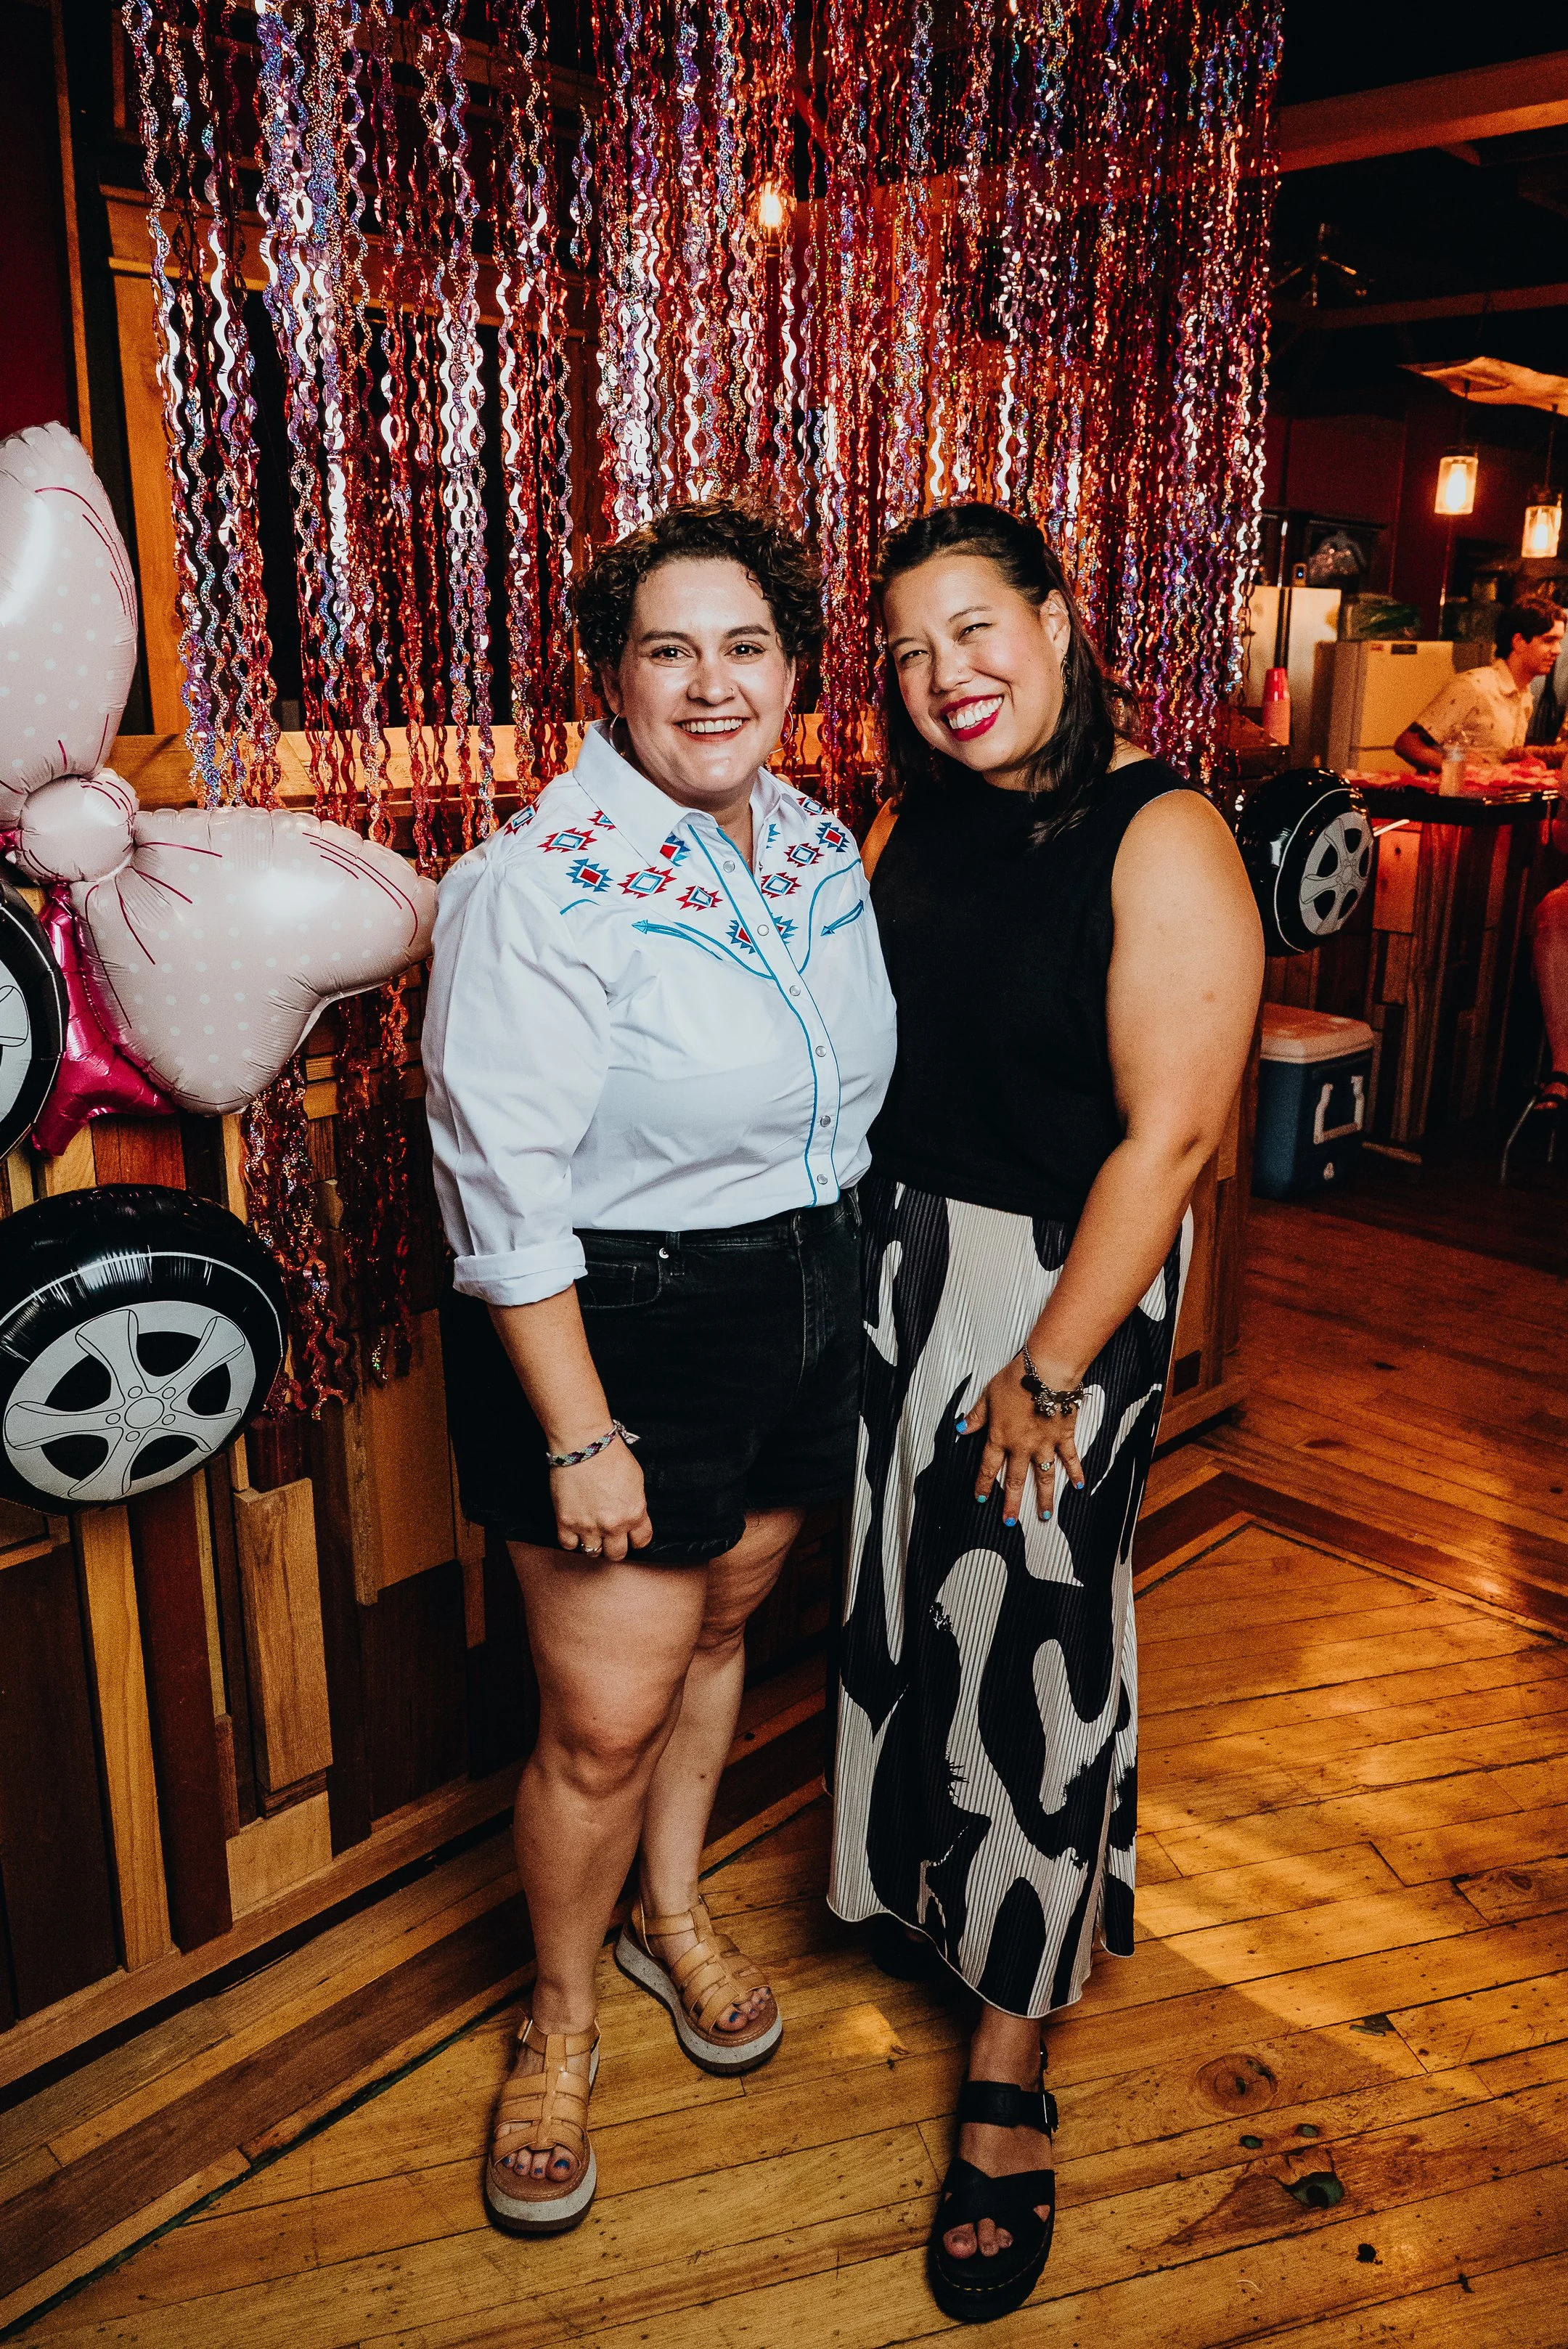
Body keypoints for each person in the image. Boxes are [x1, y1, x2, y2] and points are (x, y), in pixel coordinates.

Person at [423, 499, 897, 2237]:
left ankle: (669, 1916)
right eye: (668, 649)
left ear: (792, 667)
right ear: (609, 676)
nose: (711, 684)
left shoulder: (819, 844)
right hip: (616, 1328)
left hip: (802, 1292)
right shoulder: (530, 885)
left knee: (716, 1639)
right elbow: (502, 1188)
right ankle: (554, 2025)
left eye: (746, 645)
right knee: (602, 1718)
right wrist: (579, 1432)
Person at [828, 503, 1262, 2326]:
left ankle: (1008, 2067)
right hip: (897, 1265)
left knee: (1036, 1646)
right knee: (907, 1621)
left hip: (1054, 1286)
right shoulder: (911, 814)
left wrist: (1052, 1365)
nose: (950, 676)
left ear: (1061, 621)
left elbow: (1168, 1135)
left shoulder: (1158, 831)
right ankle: (939, 1908)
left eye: (977, 630)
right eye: (915, 651)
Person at [1394, 597, 1566, 772]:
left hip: (1484, 795)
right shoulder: (1474, 687)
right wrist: (1459, 765)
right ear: (1519, 642)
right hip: (1452, 797)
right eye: (1549, 641)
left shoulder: (1524, 695)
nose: (1558, 650)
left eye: (1559, 642)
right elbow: (1407, 744)